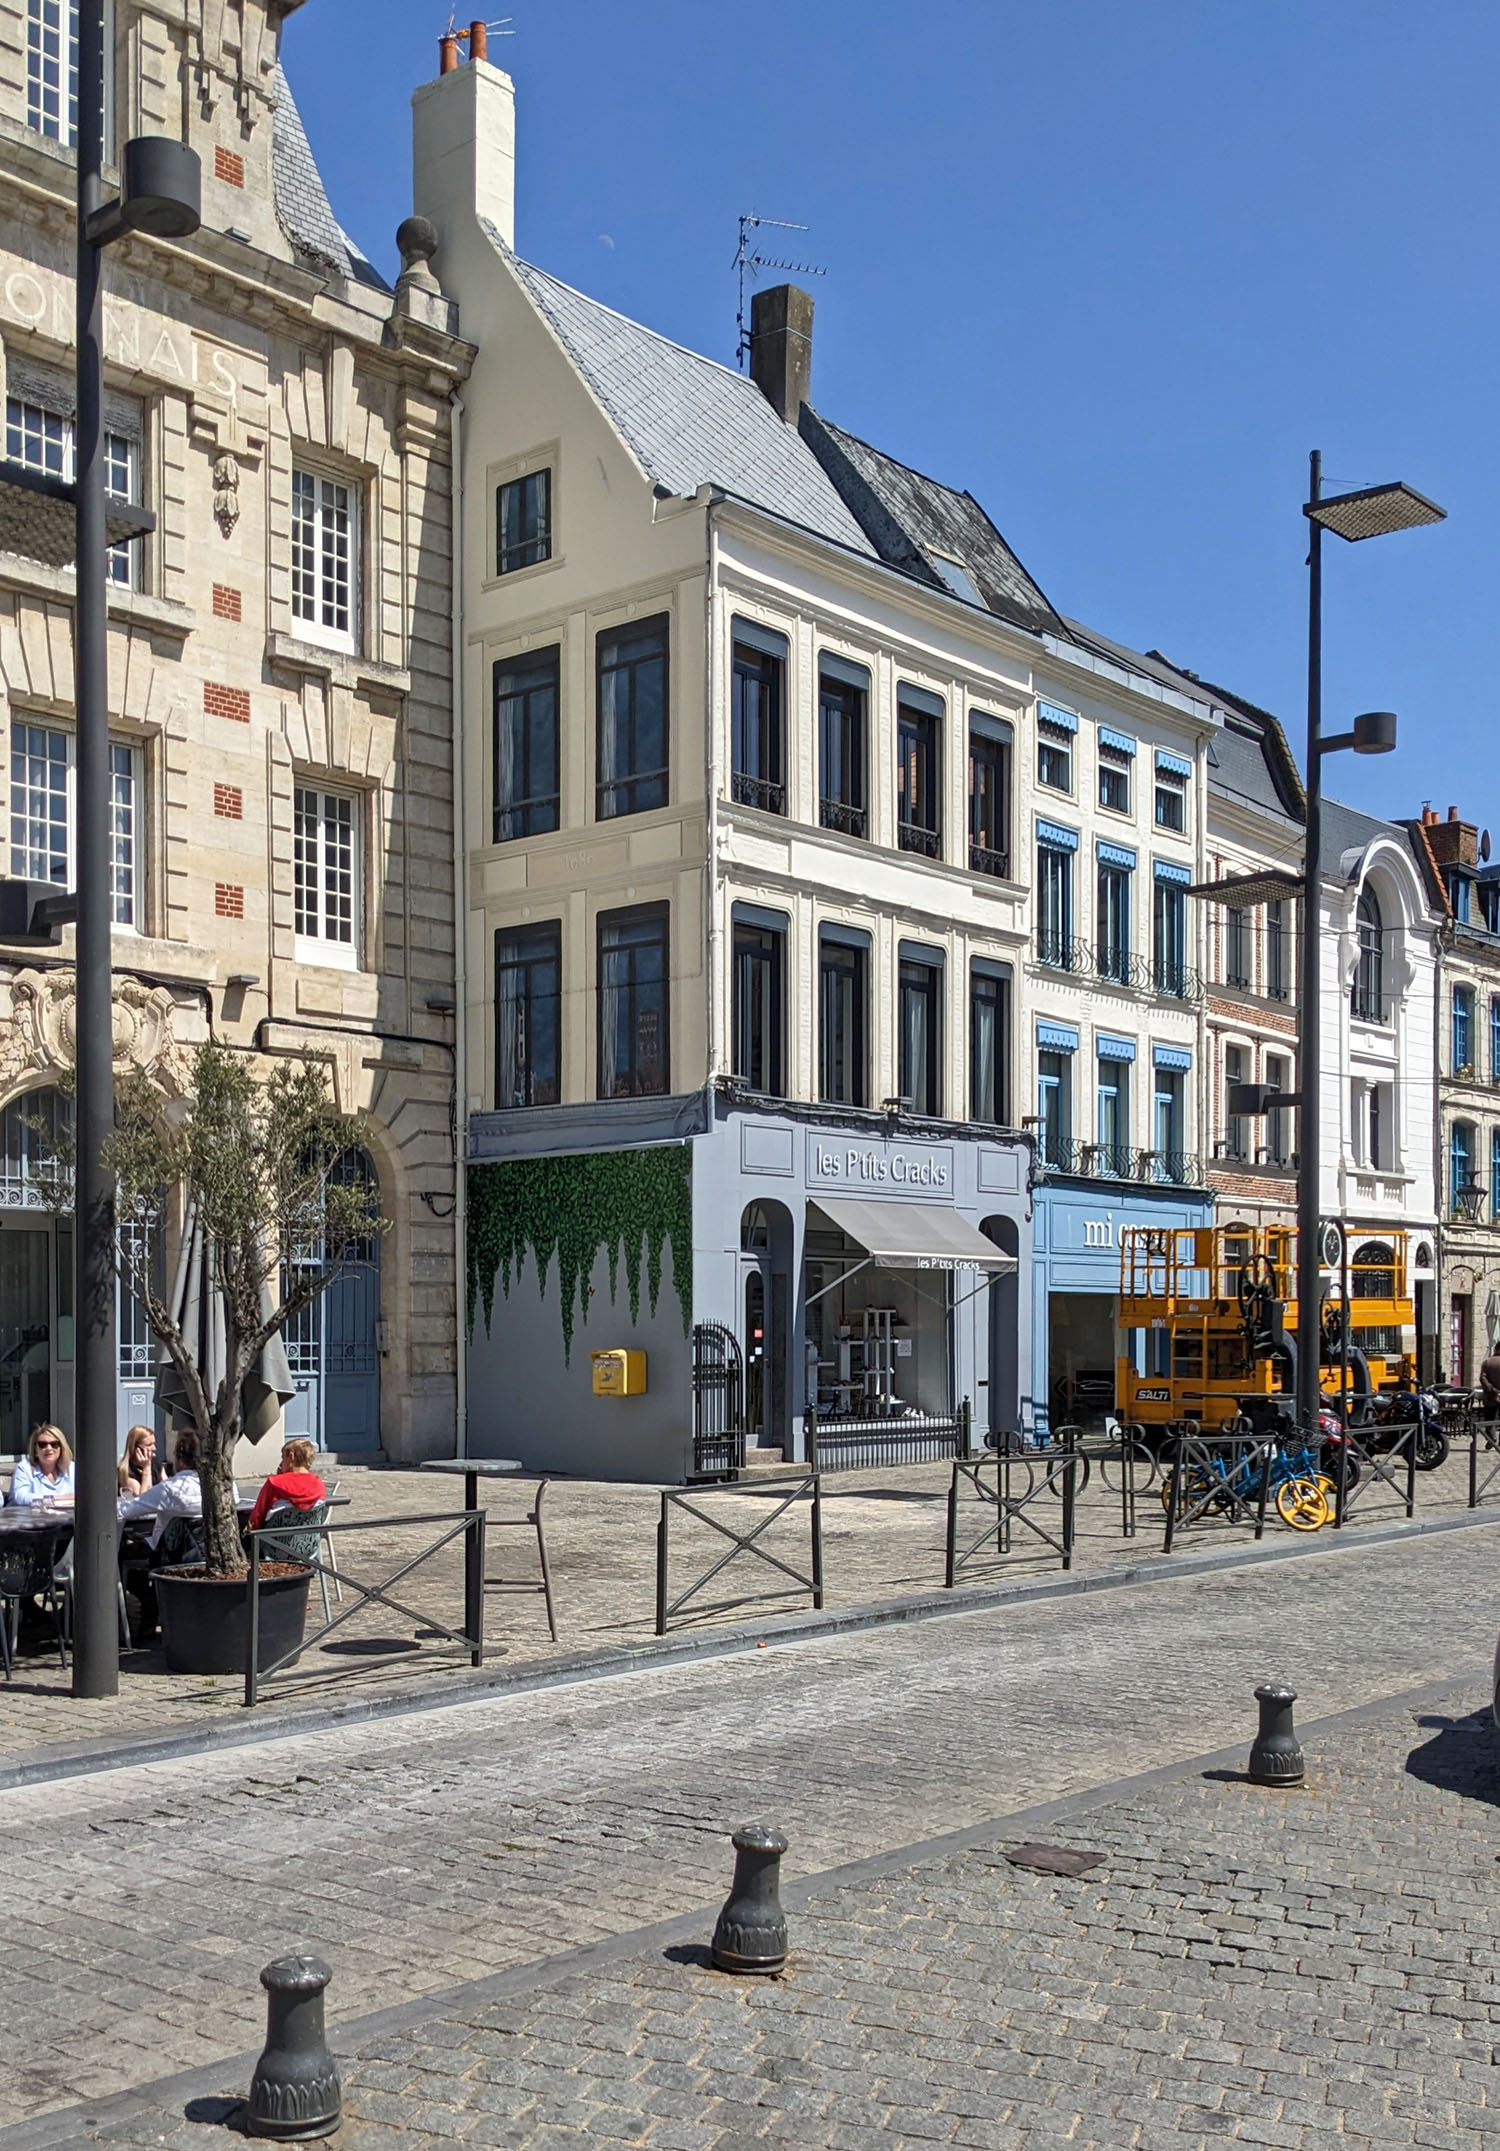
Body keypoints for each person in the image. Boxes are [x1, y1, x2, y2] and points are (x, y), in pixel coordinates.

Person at [117, 1428, 230, 1548]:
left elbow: (124, 1510)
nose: (154, 1449)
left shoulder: (169, 1490)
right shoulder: (226, 1487)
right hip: (208, 1552)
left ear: (180, 1460)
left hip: (167, 1555)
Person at [245, 1439, 326, 1534]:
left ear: (291, 1456)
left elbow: (257, 1517)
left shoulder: (274, 1483)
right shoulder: (318, 1484)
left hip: (273, 1543)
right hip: (307, 1544)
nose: (281, 1462)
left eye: (283, 1458)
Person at [10, 1424, 75, 1508]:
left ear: (61, 1447)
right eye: (42, 1444)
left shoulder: (71, 1468)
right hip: (30, 1519)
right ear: (35, 1449)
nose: (49, 1448)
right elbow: (20, 1497)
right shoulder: (25, 1467)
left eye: (54, 1444)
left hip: (65, 1518)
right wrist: (55, 1499)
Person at [117, 1425, 162, 1498]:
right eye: (149, 1445)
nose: (154, 1448)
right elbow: (145, 1499)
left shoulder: (155, 1463)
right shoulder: (126, 1472)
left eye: (154, 1443)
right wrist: (146, 1467)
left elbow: (166, 1485)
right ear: (136, 1448)